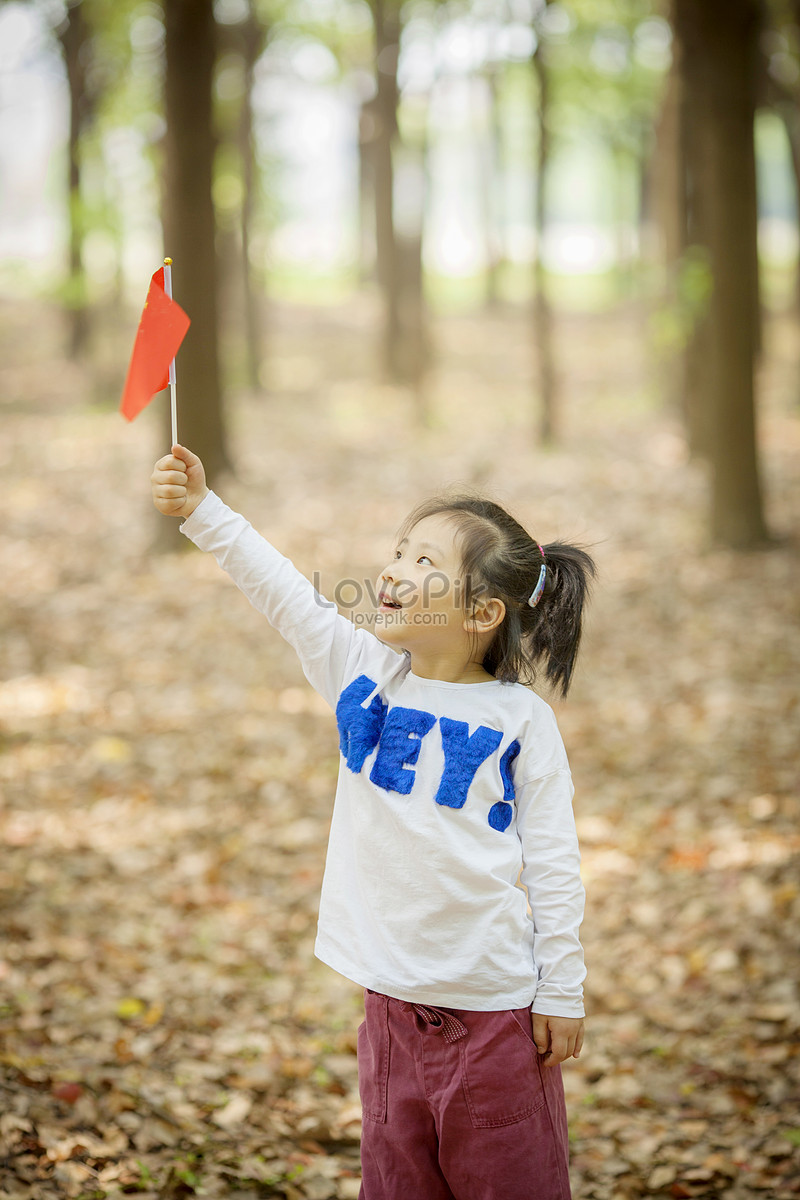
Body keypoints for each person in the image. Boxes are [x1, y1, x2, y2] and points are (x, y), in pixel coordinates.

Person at [151, 444, 595, 1200]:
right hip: (389, 1011)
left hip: (493, 1017)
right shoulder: (362, 673)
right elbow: (283, 589)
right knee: (397, 1185)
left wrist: (564, 989)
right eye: (397, 550)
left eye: (424, 561)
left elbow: (553, 863)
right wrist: (201, 508)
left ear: (482, 612)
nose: (392, 570)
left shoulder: (522, 721)